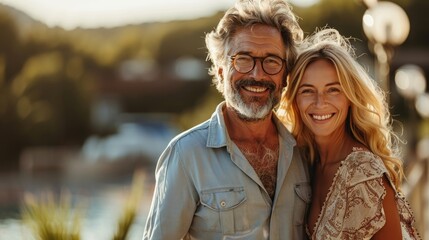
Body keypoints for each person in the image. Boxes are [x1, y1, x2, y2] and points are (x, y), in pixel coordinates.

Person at [142, 0, 310, 239]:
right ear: (221, 70)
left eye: (271, 61)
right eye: (243, 58)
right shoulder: (185, 155)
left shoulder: (305, 152)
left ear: (285, 77)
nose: (257, 74)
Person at [277, 28, 421, 240]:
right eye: (307, 90)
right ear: (294, 99)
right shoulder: (302, 161)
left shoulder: (364, 172)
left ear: (350, 96)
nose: (320, 102)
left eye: (333, 89)